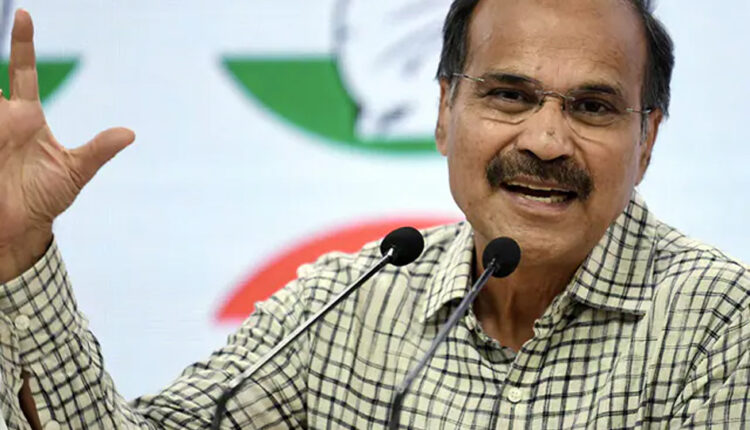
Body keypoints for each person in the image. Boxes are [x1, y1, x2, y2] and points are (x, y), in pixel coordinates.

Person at [0, 0, 748, 428]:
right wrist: (22, 247)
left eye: (592, 107)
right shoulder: (346, 304)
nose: (546, 141)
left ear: (646, 140)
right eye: (509, 95)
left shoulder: (719, 322)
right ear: (445, 112)